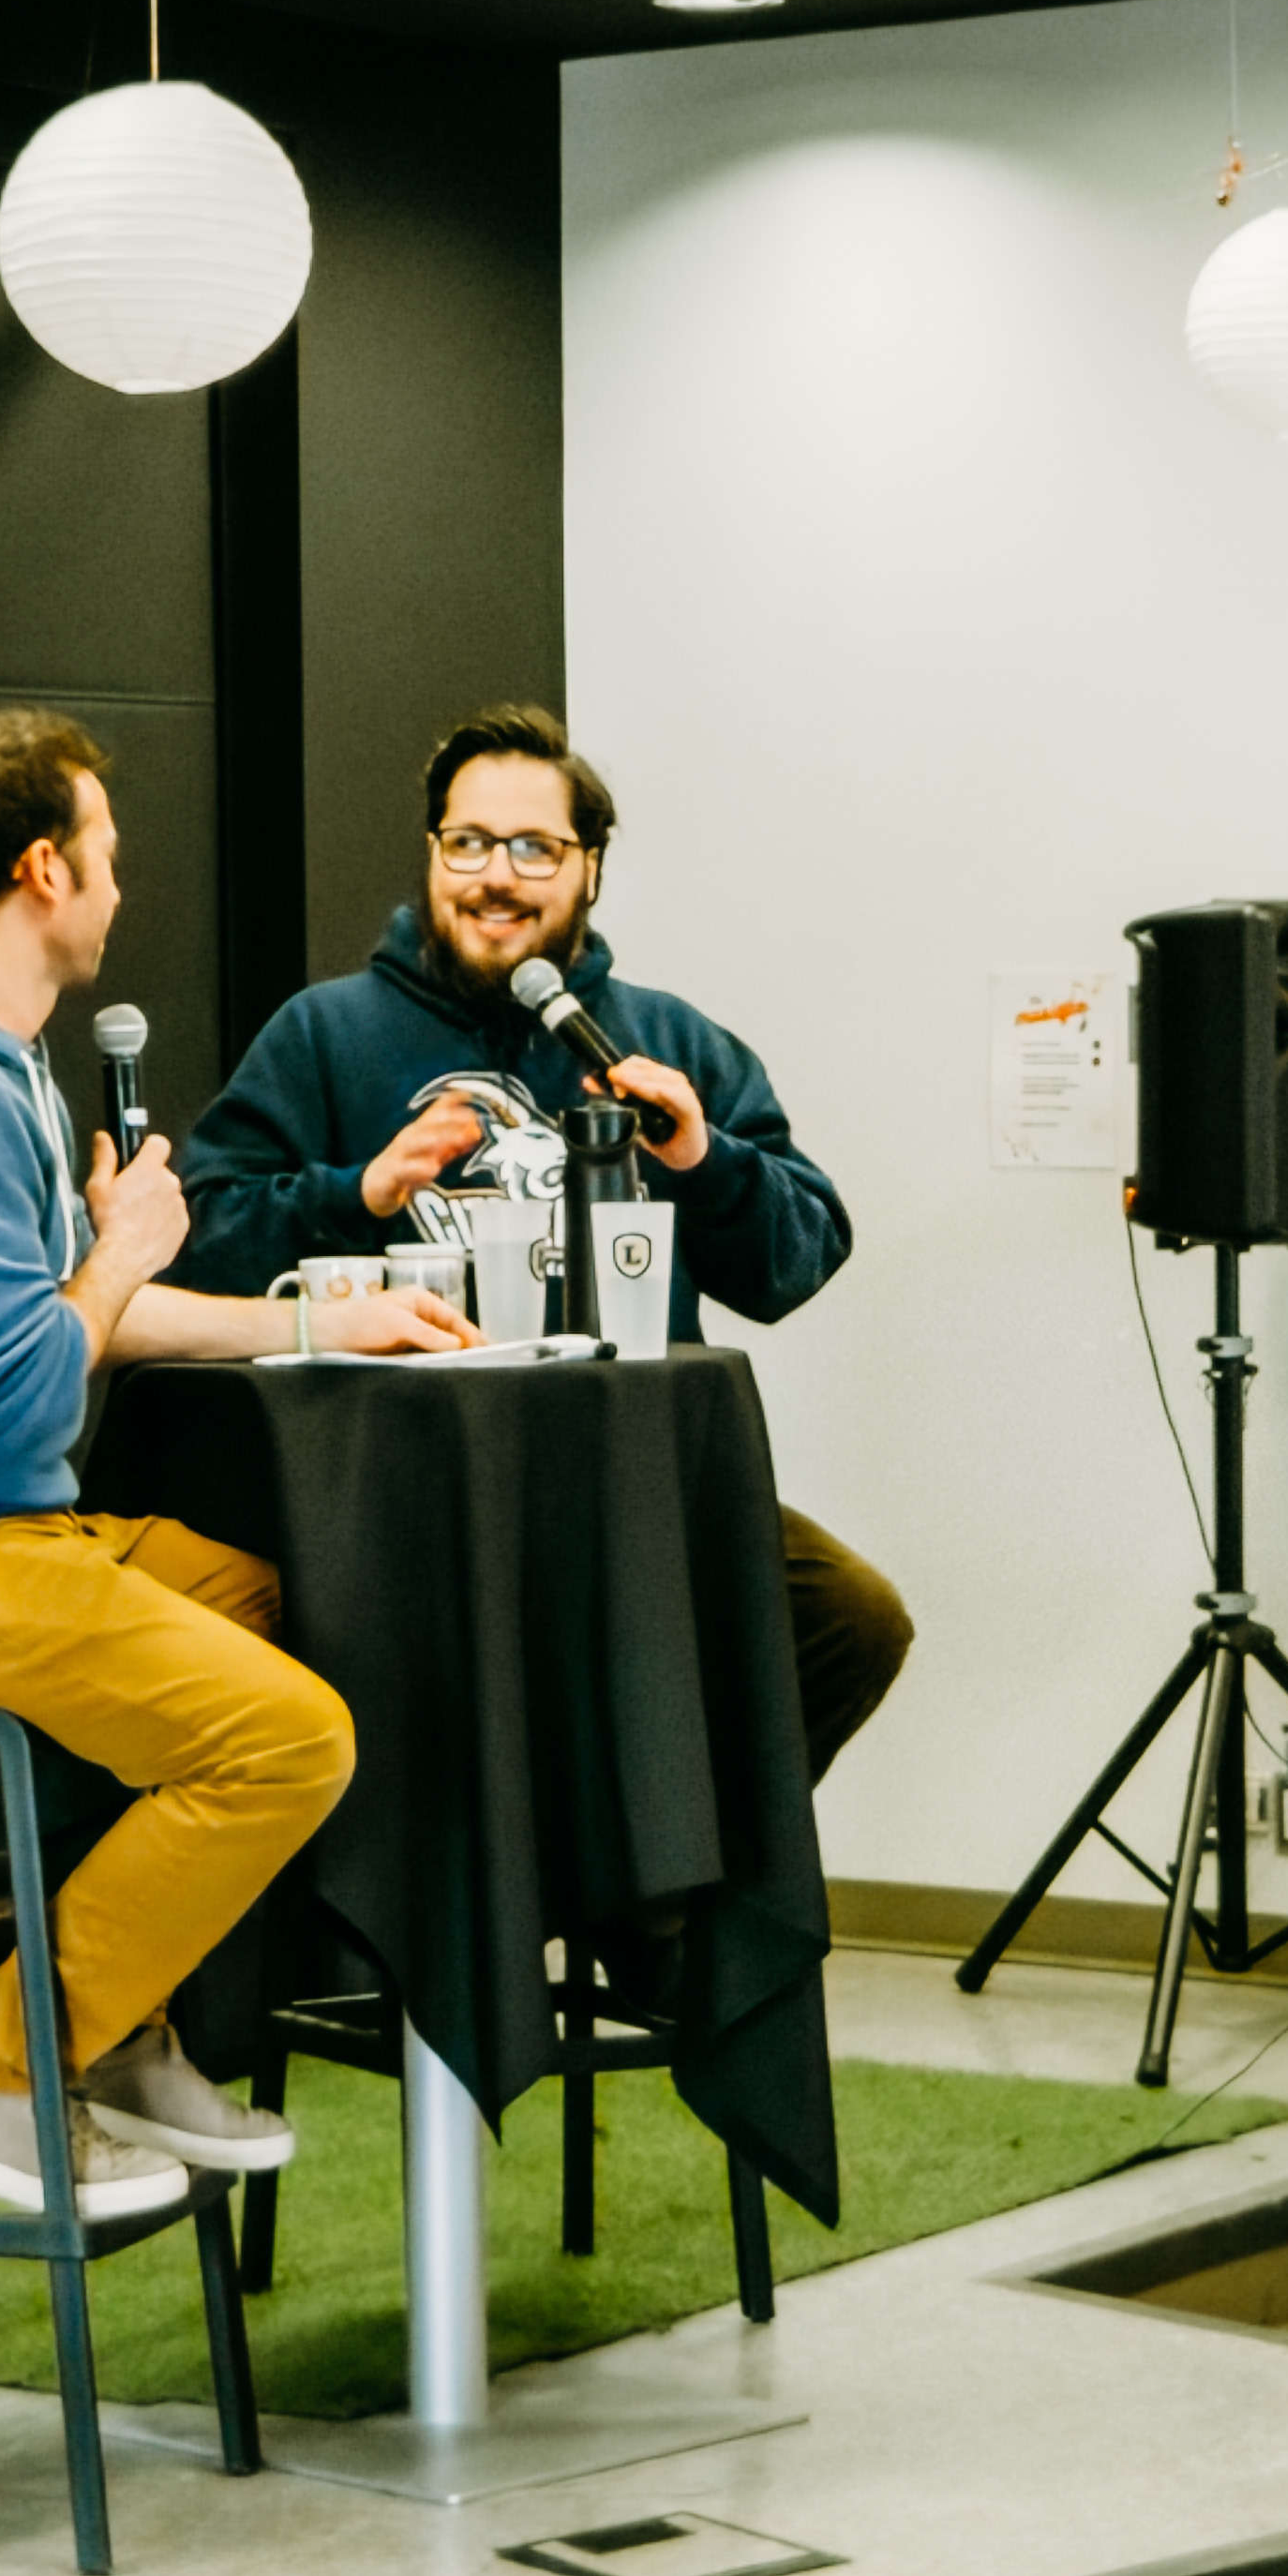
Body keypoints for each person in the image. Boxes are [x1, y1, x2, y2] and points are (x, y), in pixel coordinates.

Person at [0, 708, 476, 2221]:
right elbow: (24, 1402)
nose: (122, 891)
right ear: (40, 873)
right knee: (293, 1741)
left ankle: (122, 2023)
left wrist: (320, 1316)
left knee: (292, 1601)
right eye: (108, 860)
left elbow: (101, 1323)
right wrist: (124, 1247)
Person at [175, 701, 913, 1782]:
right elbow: (197, 1245)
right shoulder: (323, 1036)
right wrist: (358, 1193)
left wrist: (706, 1164)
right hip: (399, 1509)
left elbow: (794, 1262)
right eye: (467, 843)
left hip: (631, 1490)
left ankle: (676, 1896)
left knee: (851, 1617)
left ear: (592, 868)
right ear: (433, 854)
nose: (497, 877)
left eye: (535, 849)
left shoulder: (665, 1041)